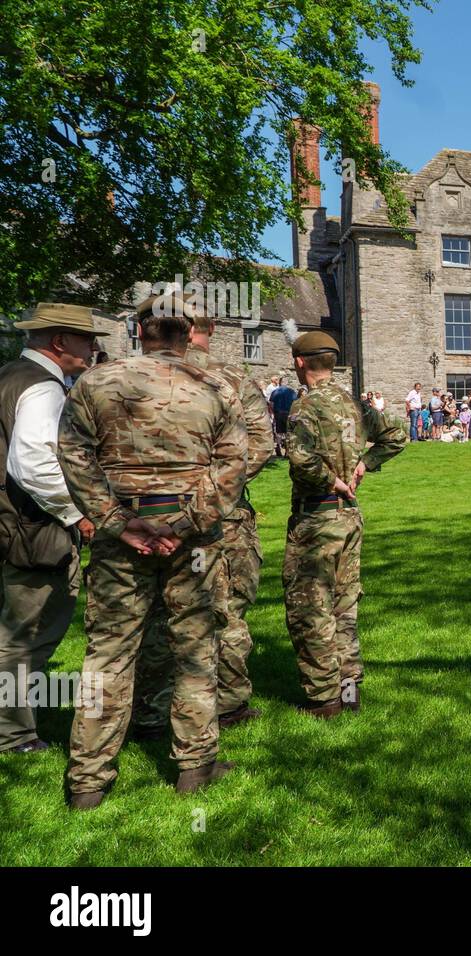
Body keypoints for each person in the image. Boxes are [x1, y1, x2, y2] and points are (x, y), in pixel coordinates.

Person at [58, 292, 248, 809]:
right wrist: (186, 522)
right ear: (188, 333)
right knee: (194, 647)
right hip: (191, 539)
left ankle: (88, 781)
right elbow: (232, 466)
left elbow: (72, 455)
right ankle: (194, 765)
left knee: (109, 653)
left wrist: (118, 521)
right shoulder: (216, 386)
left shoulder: (96, 382)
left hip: (127, 534)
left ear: (140, 330)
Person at [132, 296, 276, 738]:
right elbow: (261, 445)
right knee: (225, 610)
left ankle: (153, 712)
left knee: (155, 612)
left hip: (145, 517)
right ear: (202, 331)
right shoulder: (230, 377)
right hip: (222, 517)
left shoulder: (128, 375)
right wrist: (214, 491)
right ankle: (227, 703)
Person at [0, 303, 110, 756]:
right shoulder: (42, 388)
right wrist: (79, 514)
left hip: (11, 523)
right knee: (26, 633)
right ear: (60, 341)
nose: (93, 348)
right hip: (29, 529)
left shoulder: (10, 374)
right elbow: (35, 465)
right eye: (86, 339)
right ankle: (12, 735)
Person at [282, 326, 406, 719]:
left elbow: (301, 461)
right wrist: (363, 464)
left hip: (317, 517)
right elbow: (398, 436)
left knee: (310, 609)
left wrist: (334, 478)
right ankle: (350, 691)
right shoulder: (355, 404)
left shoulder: (306, 406)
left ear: (301, 363)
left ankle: (324, 701)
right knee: (344, 608)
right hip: (349, 518)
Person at [269, 376, 298, 458]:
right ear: (287, 383)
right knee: (288, 432)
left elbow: (271, 404)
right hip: (288, 414)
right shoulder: (292, 392)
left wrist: (273, 413)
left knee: (279, 432)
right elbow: (295, 404)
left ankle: (278, 446)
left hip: (278, 413)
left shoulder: (275, 392)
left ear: (280, 382)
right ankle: (287, 450)